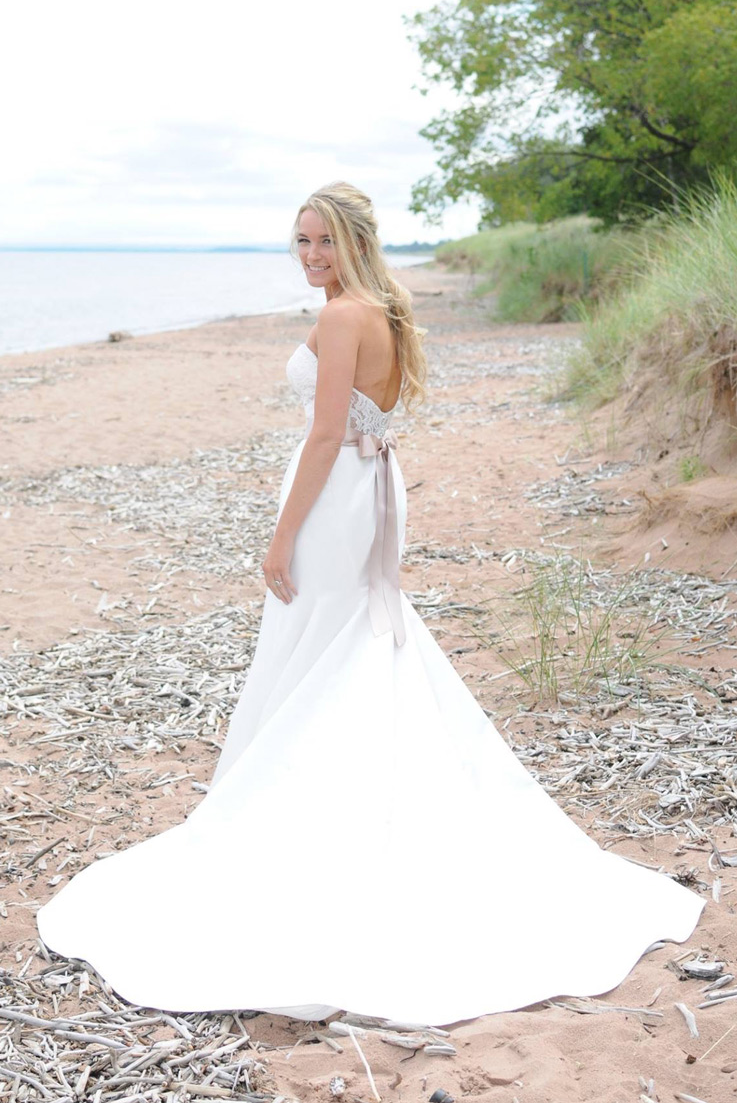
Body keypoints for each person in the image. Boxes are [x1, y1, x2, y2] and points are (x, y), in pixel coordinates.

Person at [36, 182, 705, 1027]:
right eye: (301, 241)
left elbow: (323, 434)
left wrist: (281, 538)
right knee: (345, 639)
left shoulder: (343, 316)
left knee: (320, 643)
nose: (310, 255)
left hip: (334, 499)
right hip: (368, 485)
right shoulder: (382, 309)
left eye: (323, 240)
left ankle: (307, 814)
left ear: (354, 241)